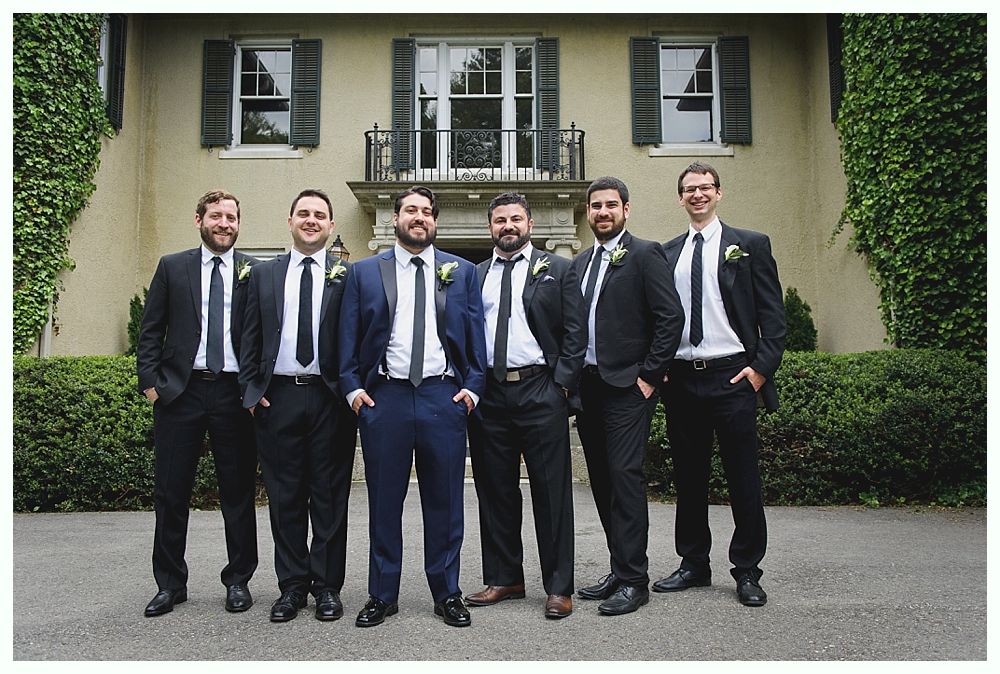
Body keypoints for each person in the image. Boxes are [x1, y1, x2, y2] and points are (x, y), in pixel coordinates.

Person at [338, 185, 486, 628]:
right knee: (384, 501)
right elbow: (347, 335)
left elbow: (475, 336)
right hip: (386, 399)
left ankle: (447, 593)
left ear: (434, 221)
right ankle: (383, 595)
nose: (418, 217)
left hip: (444, 397)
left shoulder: (461, 271)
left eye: (426, 212)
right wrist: (352, 389)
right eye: (410, 211)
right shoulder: (365, 273)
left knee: (446, 502)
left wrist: (473, 388)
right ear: (396, 218)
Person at [656, 162, 785, 607]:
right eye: (689, 189)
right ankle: (693, 564)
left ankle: (747, 569)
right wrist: (660, 367)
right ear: (680, 197)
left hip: (732, 377)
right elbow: (658, 317)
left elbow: (774, 317)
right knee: (689, 478)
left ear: (719, 193)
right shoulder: (668, 253)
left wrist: (760, 371)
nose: (697, 195)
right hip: (682, 380)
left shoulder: (748, 246)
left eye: (705, 188)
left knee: (742, 477)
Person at [137, 189, 259, 617]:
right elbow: (150, 330)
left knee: (238, 493)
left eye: (231, 217)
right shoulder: (174, 267)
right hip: (180, 394)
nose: (224, 223)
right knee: (171, 492)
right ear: (199, 220)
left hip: (233, 395)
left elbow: (262, 335)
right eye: (216, 216)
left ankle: (239, 579)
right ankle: (170, 583)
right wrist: (152, 385)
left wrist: (255, 389)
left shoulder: (253, 270)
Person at [465, 193, 586, 620]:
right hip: (490, 396)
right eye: (500, 220)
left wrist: (562, 388)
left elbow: (575, 333)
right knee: (495, 490)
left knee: (551, 493)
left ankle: (558, 586)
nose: (508, 226)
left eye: (516, 218)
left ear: (530, 224)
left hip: (541, 390)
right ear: (490, 228)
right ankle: (505, 577)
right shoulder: (473, 275)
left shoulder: (558, 269)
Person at [238, 189, 358, 622]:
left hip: (330, 398)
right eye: (303, 213)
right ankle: (291, 587)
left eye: (320, 215)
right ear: (290, 221)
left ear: (329, 226)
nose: (311, 220)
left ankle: (327, 587)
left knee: (329, 498)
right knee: (285, 497)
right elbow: (247, 337)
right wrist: (252, 392)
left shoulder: (349, 276)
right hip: (279, 397)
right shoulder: (264, 275)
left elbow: (359, 338)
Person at [571, 176, 684, 616]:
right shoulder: (579, 263)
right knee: (601, 479)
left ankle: (635, 580)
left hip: (628, 388)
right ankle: (620, 568)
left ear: (626, 209)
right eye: (596, 206)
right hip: (589, 387)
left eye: (610, 205)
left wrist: (649, 376)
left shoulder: (645, 254)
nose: (602, 212)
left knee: (624, 475)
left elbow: (669, 317)